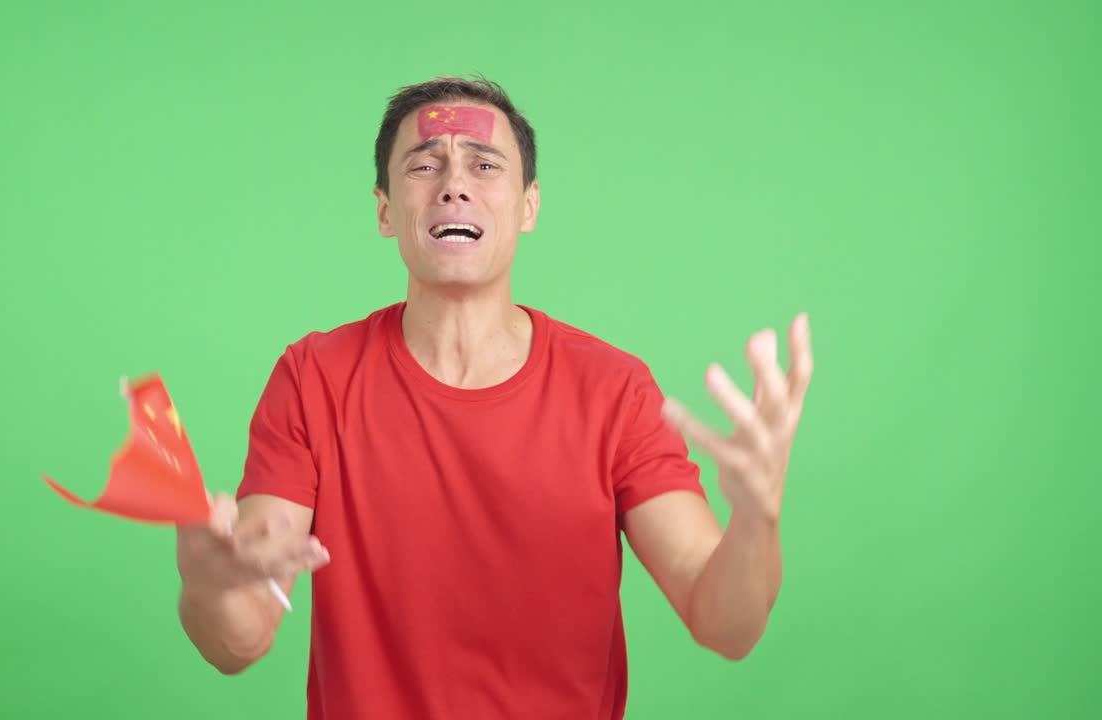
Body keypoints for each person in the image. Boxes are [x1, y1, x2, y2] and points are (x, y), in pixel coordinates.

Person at [175, 76, 813, 719]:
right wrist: (208, 587)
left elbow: (726, 625)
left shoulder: (614, 390)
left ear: (529, 206)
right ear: (384, 210)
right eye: (424, 166)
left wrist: (758, 520)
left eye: (484, 165)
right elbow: (244, 635)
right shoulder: (313, 378)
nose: (454, 184)